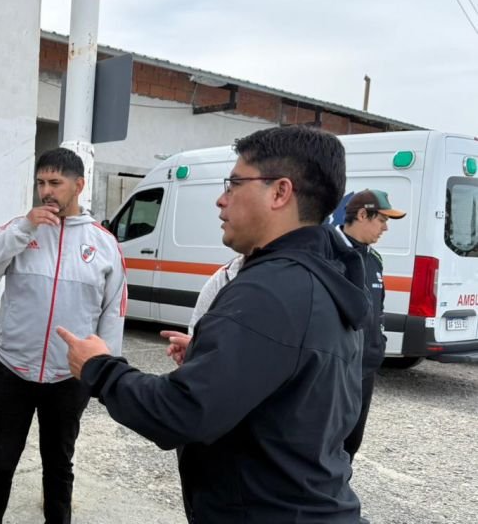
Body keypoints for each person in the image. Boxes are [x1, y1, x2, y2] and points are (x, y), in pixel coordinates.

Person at [57, 125, 372, 523]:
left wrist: (99, 369)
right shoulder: (324, 276)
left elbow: (181, 413)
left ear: (280, 192)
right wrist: (216, 355)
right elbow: (305, 385)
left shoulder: (271, 289)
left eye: (235, 184)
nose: (221, 200)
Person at [0, 147, 127, 523]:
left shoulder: (104, 244)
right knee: (0, 461)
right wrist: (24, 229)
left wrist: (105, 373)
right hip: (12, 370)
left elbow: (113, 312)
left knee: (59, 464)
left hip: (69, 376)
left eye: (55, 182)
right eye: (40, 182)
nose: (46, 191)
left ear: (79, 185)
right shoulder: (17, 230)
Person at [333, 189, 405, 524]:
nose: (385, 228)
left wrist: (379, 344)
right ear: (362, 215)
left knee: (351, 441)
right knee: (326, 442)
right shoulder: (330, 254)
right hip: (337, 371)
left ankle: (338, 496)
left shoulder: (373, 260)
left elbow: (378, 309)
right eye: (382, 220)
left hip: (365, 370)